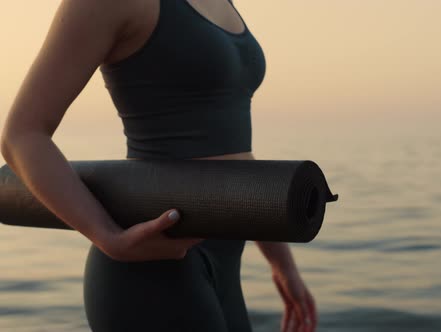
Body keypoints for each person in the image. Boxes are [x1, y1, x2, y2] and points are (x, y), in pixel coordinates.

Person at [0, 0, 317, 331]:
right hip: (146, 264)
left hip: (226, 260)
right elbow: (22, 135)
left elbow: (231, 152)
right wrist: (107, 236)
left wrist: (282, 263)